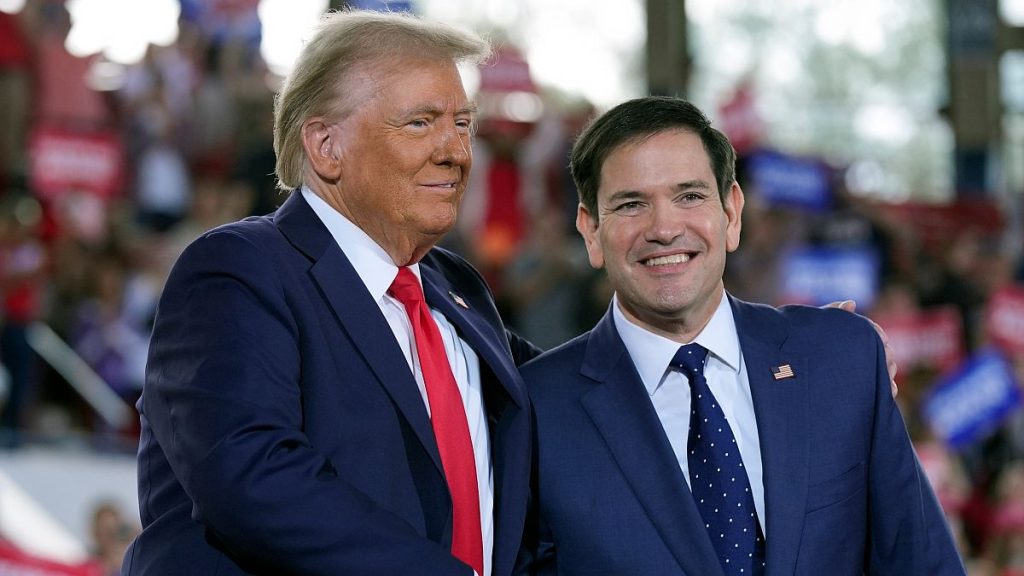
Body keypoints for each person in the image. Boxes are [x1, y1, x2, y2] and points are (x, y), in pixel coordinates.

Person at [121, 10, 537, 575]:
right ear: (325, 146)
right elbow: (254, 476)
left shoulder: (458, 288)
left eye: (462, 124)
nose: (455, 151)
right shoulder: (239, 270)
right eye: (420, 123)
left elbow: (566, 398)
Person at [517, 96, 964, 575]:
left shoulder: (842, 359)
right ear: (590, 231)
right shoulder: (536, 410)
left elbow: (922, 563)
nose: (664, 228)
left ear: (731, 214)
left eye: (690, 196)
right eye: (631, 204)